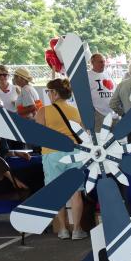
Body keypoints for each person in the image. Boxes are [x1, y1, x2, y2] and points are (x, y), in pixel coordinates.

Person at [38, 78, 86, 240]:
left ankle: (63, 229)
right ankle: (77, 230)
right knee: (76, 192)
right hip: (73, 152)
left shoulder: (43, 111)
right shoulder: (75, 111)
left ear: (55, 93)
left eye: (49, 91)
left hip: (52, 154)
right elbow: (82, 134)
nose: (48, 94)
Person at [87, 53, 115, 132]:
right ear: (92, 63)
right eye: (100, 62)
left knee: (115, 138)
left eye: (103, 62)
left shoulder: (107, 74)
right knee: (100, 138)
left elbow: (114, 90)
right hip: (98, 113)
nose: (103, 64)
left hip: (112, 113)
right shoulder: (88, 76)